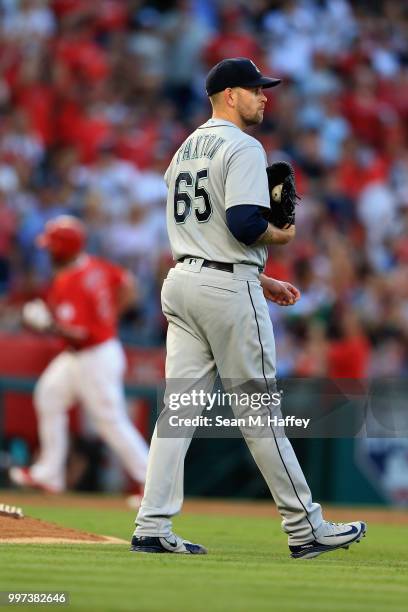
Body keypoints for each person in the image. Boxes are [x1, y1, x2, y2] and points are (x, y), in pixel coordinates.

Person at [130, 58, 366, 558]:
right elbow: (242, 224)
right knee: (260, 411)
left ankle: (151, 524)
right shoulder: (243, 145)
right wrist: (281, 233)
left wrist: (261, 278)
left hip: (185, 282)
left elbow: (205, 235)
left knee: (178, 412)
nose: (264, 97)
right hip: (224, 291)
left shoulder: (184, 149)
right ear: (229, 95)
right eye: (256, 89)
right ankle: (305, 527)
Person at [9, 215, 148, 494]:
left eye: (51, 246)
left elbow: (78, 334)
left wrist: (45, 324)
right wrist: (110, 317)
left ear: (63, 249)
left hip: (94, 356)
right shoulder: (96, 265)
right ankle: (50, 474)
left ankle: (152, 482)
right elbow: (129, 284)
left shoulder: (70, 281)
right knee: (49, 395)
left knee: (110, 423)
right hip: (84, 354)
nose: (47, 251)